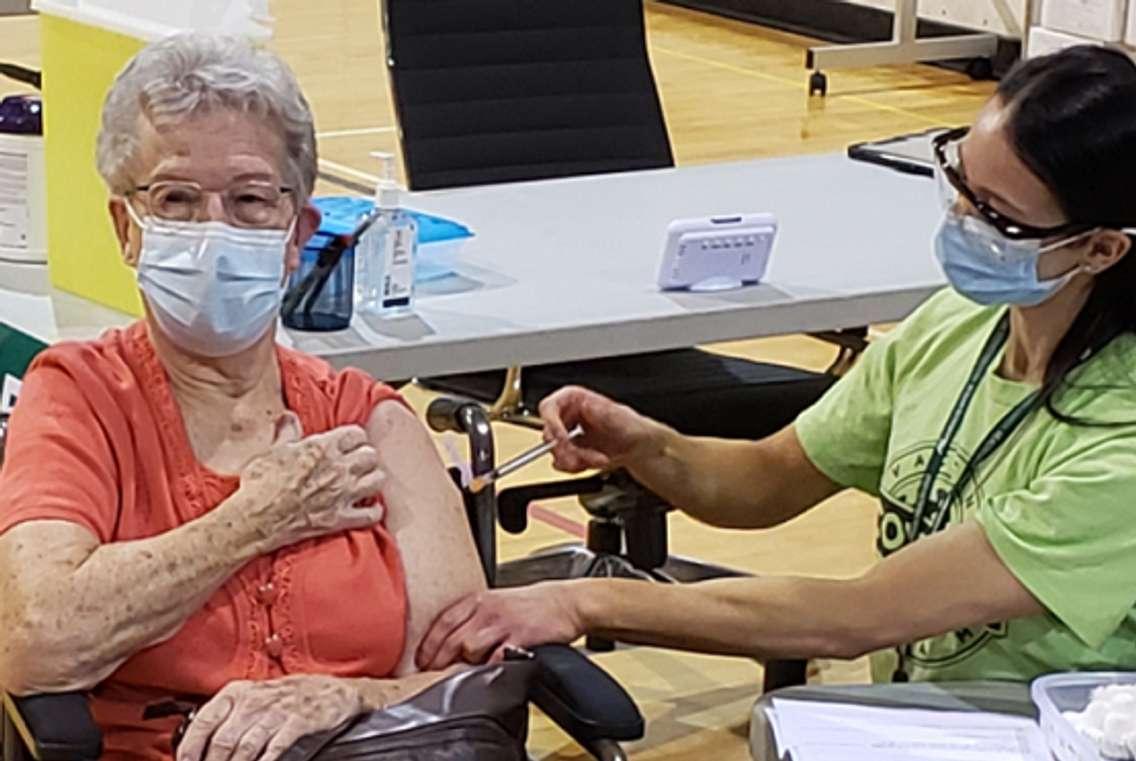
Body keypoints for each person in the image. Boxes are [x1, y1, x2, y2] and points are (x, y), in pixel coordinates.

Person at [418, 46, 1136, 686]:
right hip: (927, 710)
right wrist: (648, 445)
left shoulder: (1121, 446)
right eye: (959, 181)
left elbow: (855, 615)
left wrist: (583, 597)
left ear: (1102, 248)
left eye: (997, 215)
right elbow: (766, 481)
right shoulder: (962, 325)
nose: (960, 219)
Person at [0, 34, 486, 761]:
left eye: (251, 200)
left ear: (299, 236)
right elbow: (34, 642)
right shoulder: (80, 396)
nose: (212, 230)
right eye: (176, 199)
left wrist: (353, 696)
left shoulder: (370, 420)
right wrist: (254, 518)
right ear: (125, 229)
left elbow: (467, 669)